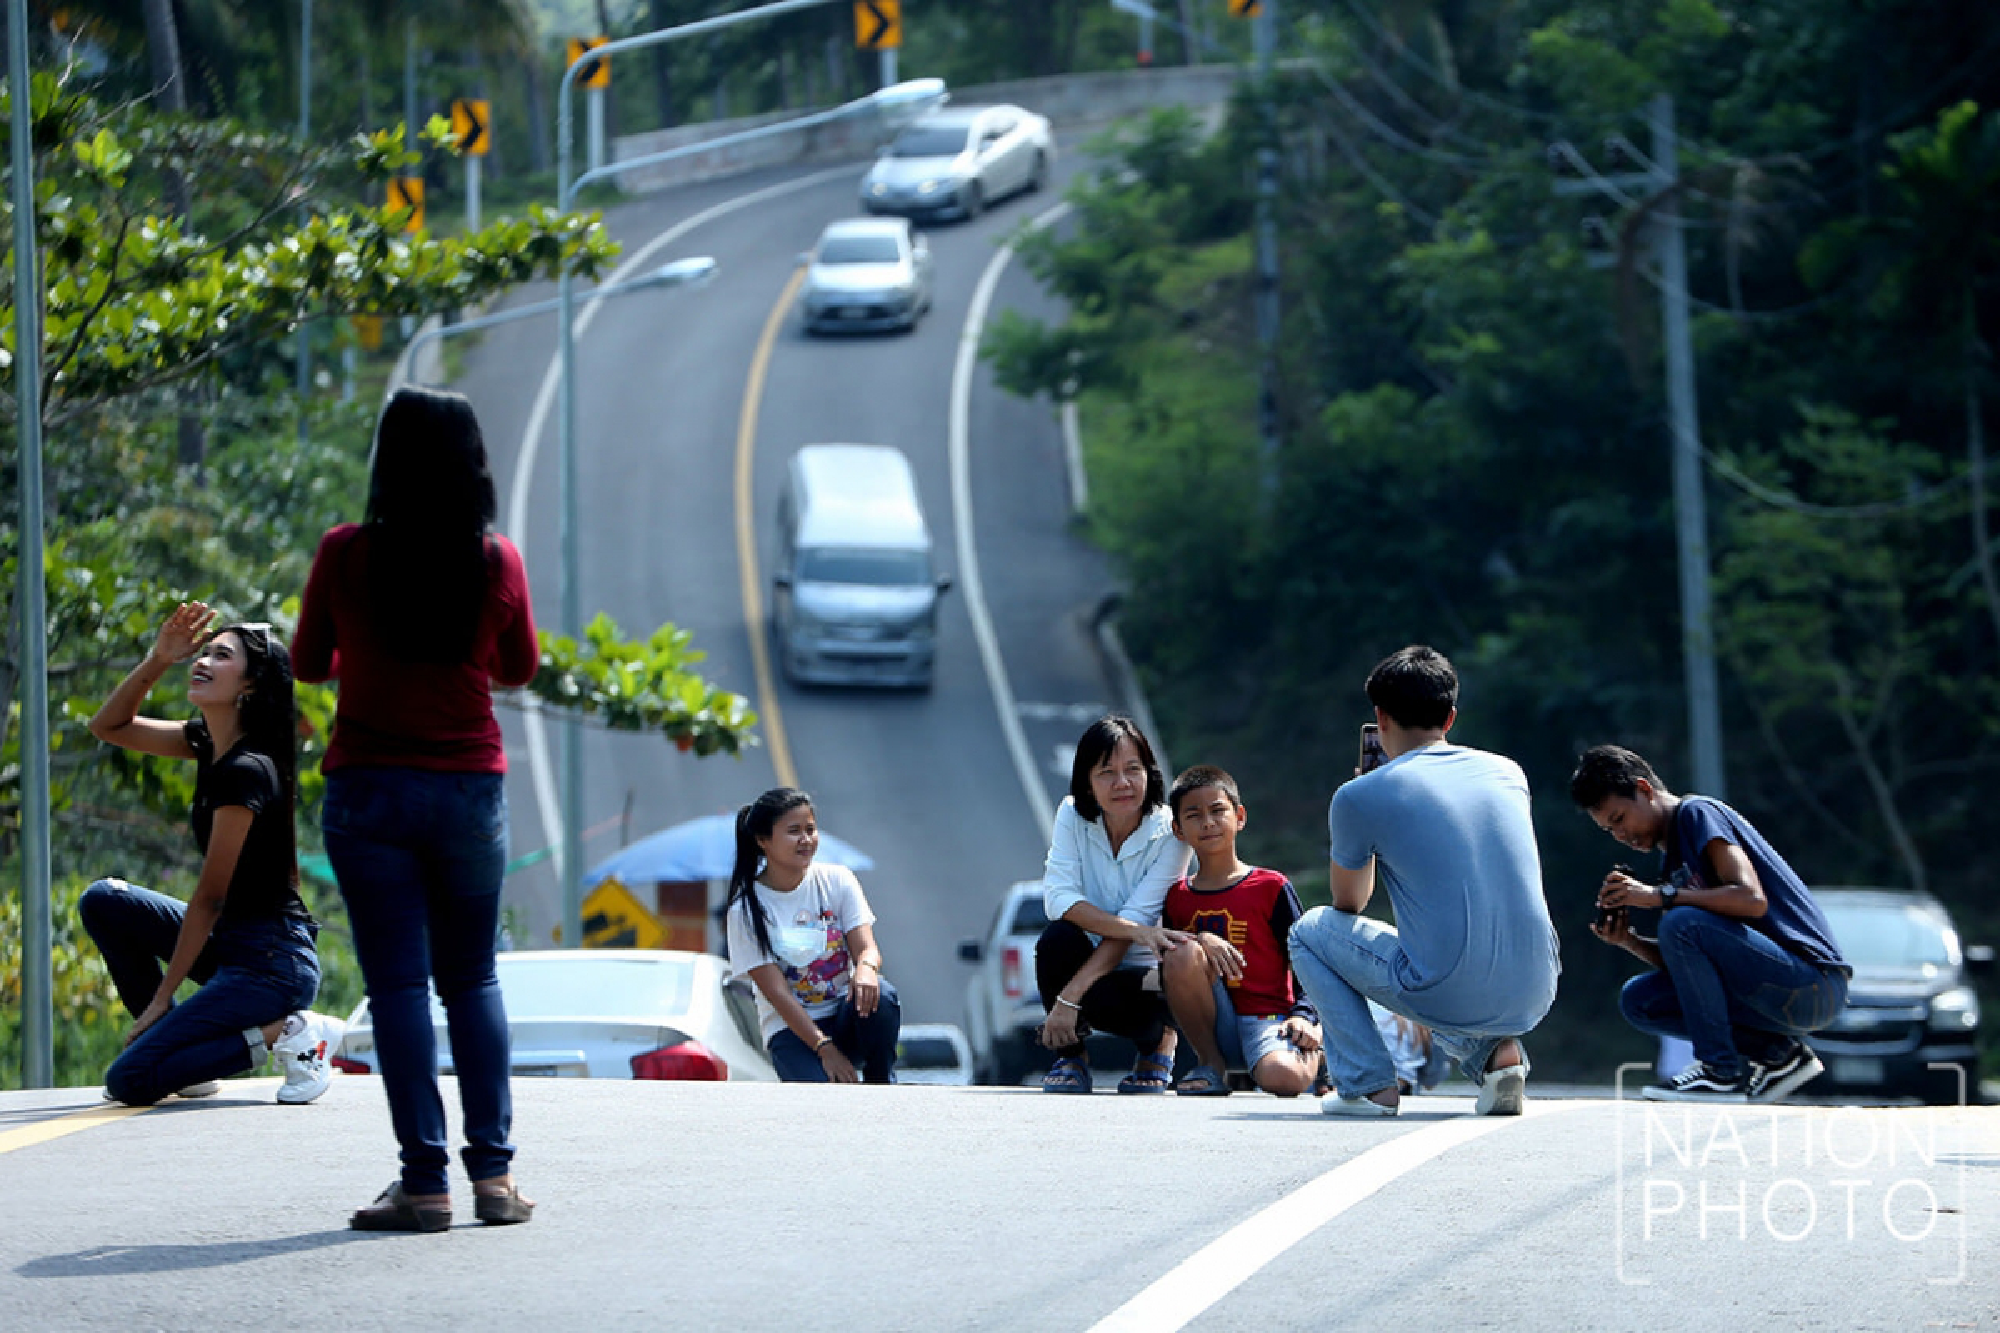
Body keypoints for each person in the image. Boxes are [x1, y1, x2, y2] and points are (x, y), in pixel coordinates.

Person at [295, 385, 538, 1232]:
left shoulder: (346, 553)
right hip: (470, 789)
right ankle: (496, 1181)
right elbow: (521, 667)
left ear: (384, 463)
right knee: (471, 977)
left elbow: (307, 662)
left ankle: (424, 1183)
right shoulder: (495, 560)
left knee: (398, 983)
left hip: (369, 790)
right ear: (474, 462)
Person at [82, 602, 339, 1107]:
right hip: (233, 945)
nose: (203, 661)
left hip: (272, 963)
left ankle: (283, 1032)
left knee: (129, 1081)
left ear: (249, 686)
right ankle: (189, 1062)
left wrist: (161, 1002)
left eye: (221, 656)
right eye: (204, 652)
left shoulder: (248, 769)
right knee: (103, 900)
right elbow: (108, 727)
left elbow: (210, 897)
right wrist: (159, 658)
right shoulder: (206, 742)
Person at [1289, 645, 1560, 1117]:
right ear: (1450, 717)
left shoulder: (1359, 795)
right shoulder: (1507, 772)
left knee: (1308, 932)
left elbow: (1348, 904)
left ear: (1381, 717)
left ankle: (1367, 1086)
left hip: (1446, 985)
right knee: (1443, 967)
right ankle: (1496, 1056)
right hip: (1539, 985)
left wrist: (1365, 821)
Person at [1570, 744, 1851, 1103]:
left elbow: (1751, 898)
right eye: (1609, 830)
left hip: (1813, 984)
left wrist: (1659, 896)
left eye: (1620, 819)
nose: (1620, 835)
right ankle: (1779, 1055)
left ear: (1644, 789)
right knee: (1640, 999)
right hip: (1772, 989)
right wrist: (1629, 940)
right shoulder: (1672, 865)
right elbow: (1689, 969)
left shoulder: (1697, 814)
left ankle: (1720, 1071)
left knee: (1682, 922)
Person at [1035, 714, 1193, 1095]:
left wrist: (1068, 999)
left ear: (1149, 774)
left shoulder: (1173, 833)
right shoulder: (1071, 814)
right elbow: (1059, 898)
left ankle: (1158, 1045)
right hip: (1089, 960)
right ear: (1088, 784)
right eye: (1107, 772)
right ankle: (1072, 1057)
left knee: (1159, 989)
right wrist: (1136, 930)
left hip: (1146, 973)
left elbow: (1135, 920)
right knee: (1055, 940)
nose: (1122, 783)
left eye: (1132, 769)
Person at [1157, 765, 1320, 1098]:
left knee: (1284, 1080)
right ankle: (1211, 1065)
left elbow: (1307, 961)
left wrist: (1305, 1016)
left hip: (1269, 1019)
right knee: (1182, 954)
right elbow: (1169, 969)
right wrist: (1200, 939)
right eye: (1194, 815)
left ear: (1240, 816)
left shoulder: (1271, 887)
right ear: (1178, 829)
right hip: (1213, 1027)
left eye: (1218, 811)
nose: (1208, 823)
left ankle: (1317, 1052)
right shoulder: (1176, 897)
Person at [725, 787, 899, 1083]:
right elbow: (777, 994)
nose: (806, 840)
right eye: (794, 831)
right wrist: (823, 1048)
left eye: (811, 829)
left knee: (883, 995)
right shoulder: (745, 910)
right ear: (763, 840)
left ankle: (880, 1081)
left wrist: (866, 970)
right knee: (821, 1101)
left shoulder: (837, 880)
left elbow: (867, 949)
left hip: (846, 1014)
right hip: (792, 1031)